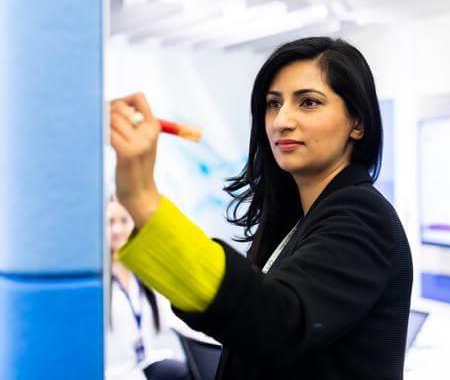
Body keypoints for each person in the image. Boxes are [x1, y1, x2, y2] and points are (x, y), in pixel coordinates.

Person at [109, 37, 413, 379]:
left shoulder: (361, 213)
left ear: (357, 123)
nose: (281, 120)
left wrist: (143, 198)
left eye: (309, 102)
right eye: (273, 104)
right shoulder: (298, 219)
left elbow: (277, 324)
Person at [107, 195, 191, 380]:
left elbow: (173, 318)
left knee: (185, 371)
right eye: (110, 222)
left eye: (123, 221)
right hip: (116, 372)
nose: (117, 229)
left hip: (146, 364)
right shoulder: (99, 282)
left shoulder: (143, 273)